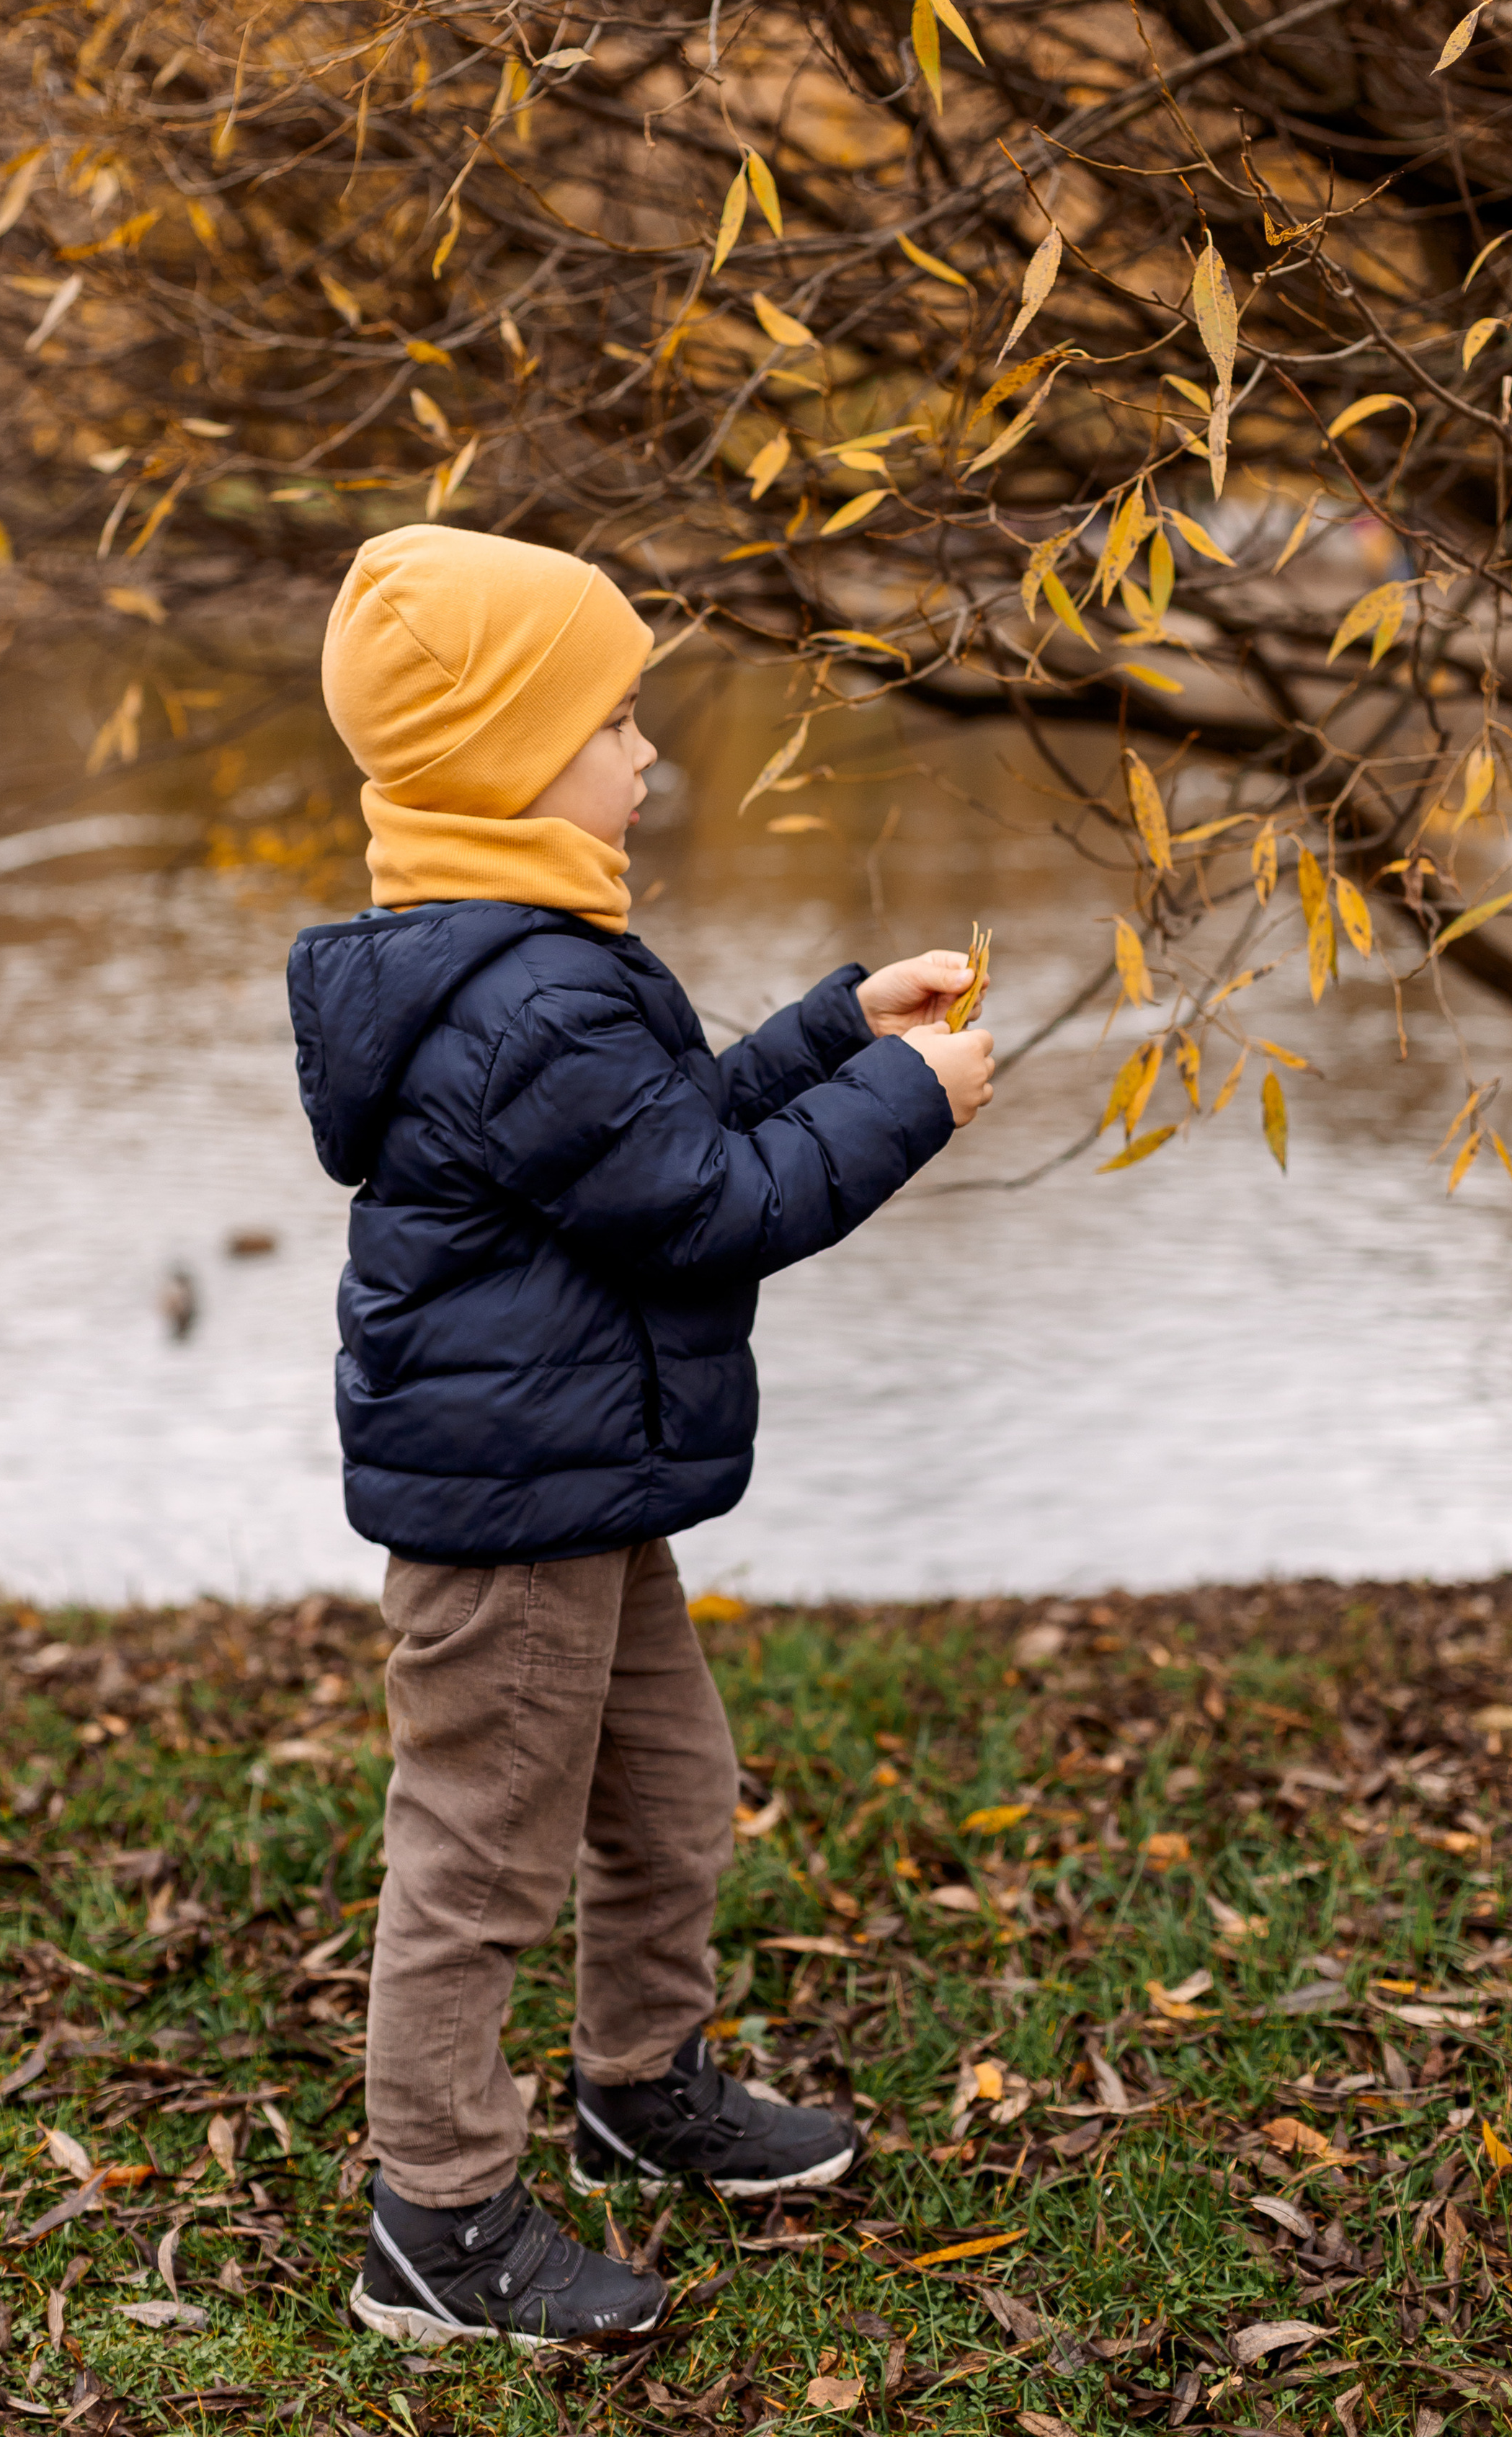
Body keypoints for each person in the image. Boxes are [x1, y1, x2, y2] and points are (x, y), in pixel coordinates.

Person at [288, 524, 995, 2348]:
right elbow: (705, 1208)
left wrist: (840, 1028)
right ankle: (435, 2223)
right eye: (616, 720)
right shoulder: (518, 995)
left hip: (584, 1469)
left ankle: (637, 2083)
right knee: (481, 1854)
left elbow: (660, 1131)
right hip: (517, 1505)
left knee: (664, 1793)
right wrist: (906, 1108)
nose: (647, 753)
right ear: (517, 758)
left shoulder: (534, 963)